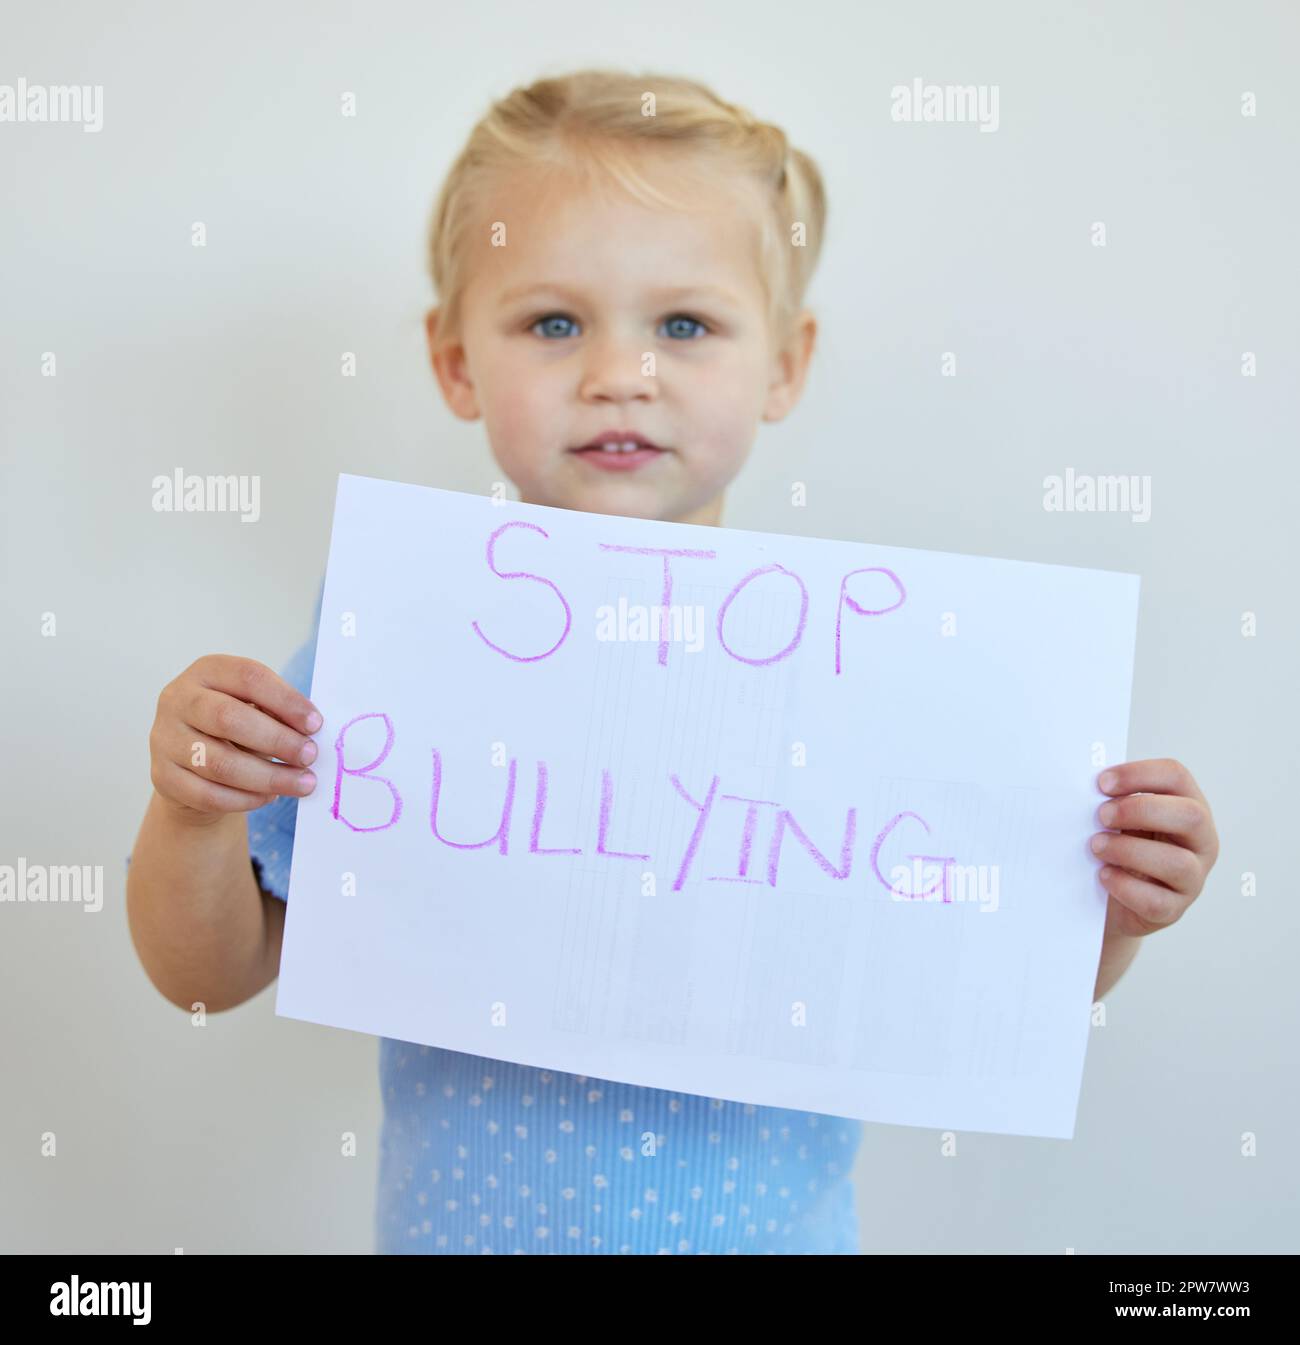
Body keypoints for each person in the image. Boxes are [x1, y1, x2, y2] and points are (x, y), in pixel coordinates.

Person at [126, 67, 1220, 1255]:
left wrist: (1112, 909)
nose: (622, 374)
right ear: (454, 362)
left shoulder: (872, 685)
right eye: (554, 322)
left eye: (684, 326)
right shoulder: (392, 644)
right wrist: (193, 809)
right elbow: (209, 975)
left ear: (785, 362)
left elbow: (970, 986)